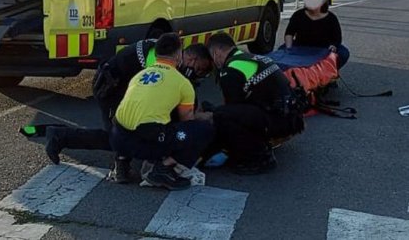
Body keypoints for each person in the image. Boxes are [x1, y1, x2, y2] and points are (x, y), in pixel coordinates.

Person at [44, 40, 213, 184]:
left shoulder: (163, 52)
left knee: (127, 133)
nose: (196, 74)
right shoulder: (159, 60)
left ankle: (121, 159)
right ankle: (62, 137)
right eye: (199, 69)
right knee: (119, 134)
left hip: (123, 85)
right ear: (191, 58)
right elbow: (155, 95)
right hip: (111, 88)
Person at [109, 33, 215, 190]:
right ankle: (162, 168)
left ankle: (122, 164)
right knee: (202, 130)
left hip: (117, 139)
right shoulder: (182, 82)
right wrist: (205, 117)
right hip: (149, 141)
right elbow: (187, 121)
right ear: (179, 55)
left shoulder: (140, 75)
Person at [206, 32, 305, 175]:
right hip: (292, 118)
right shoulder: (252, 58)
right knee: (226, 112)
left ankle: (259, 158)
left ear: (216, 53)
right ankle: (261, 145)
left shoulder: (231, 69)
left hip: (278, 121)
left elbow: (232, 109)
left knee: (223, 116)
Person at [283, 0, 349, 68]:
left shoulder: (331, 18)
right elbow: (289, 33)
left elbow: (337, 38)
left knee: (343, 53)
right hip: (300, 46)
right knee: (280, 51)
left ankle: (328, 72)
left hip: (324, 48)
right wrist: (289, 48)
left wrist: (333, 46)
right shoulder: (298, 15)